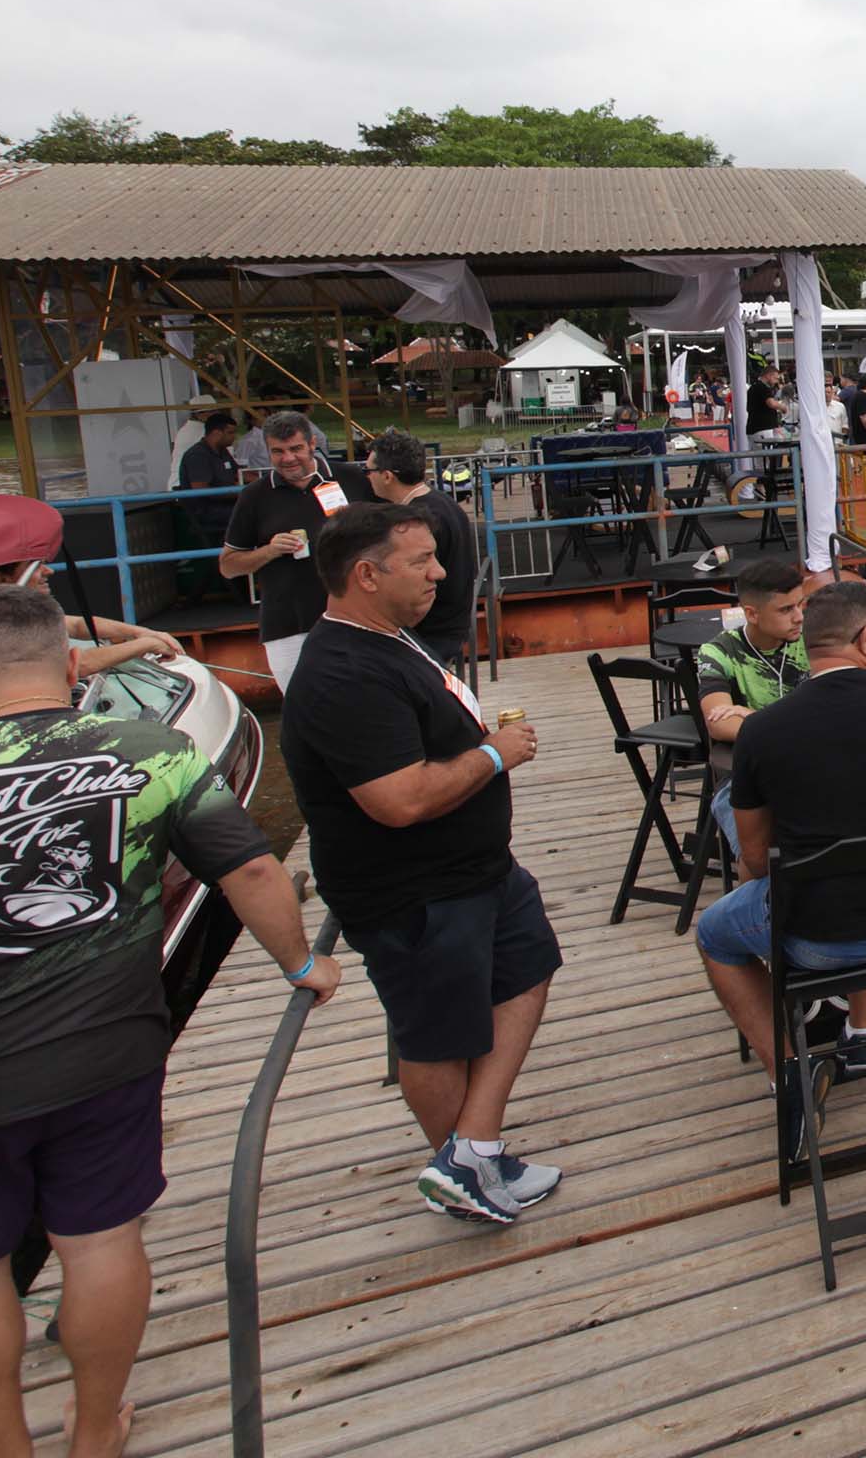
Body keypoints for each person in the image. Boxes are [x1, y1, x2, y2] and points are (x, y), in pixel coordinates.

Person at [0, 585, 336, 1458]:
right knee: (99, 1245)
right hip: (104, 1058)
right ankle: (93, 1429)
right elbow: (253, 874)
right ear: (72, 665)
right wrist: (303, 964)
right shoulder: (151, 751)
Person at [279, 502, 562, 1225]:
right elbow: (398, 800)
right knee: (437, 1034)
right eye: (422, 561)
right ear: (367, 575)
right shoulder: (344, 670)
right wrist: (494, 754)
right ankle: (465, 1167)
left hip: (477, 872)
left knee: (528, 971)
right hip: (413, 892)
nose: (441, 572)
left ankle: (472, 1150)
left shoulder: (390, 639)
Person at [697, 579, 866, 1079]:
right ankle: (858, 1028)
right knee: (865, 844)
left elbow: (754, 859)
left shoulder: (762, 729)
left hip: (815, 936)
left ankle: (792, 1075)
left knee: (714, 934)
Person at [217, 410, 348, 692]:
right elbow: (227, 566)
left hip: (352, 619)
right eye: (278, 451)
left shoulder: (349, 480)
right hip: (288, 627)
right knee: (305, 712)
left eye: (296, 449)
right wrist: (269, 551)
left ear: (312, 444)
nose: (288, 459)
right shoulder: (254, 496)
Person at [695, 557, 812, 868]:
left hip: (814, 766)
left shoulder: (813, 639)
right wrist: (802, 724)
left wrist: (750, 715)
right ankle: (760, 915)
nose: (799, 617)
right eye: (786, 609)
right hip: (744, 777)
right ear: (751, 614)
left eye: (801, 605)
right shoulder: (719, 651)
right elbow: (720, 723)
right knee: (757, 859)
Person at [354, 430, 481, 668]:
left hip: (430, 634)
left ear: (387, 476)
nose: (367, 477)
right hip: (450, 626)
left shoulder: (415, 521)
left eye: (369, 471)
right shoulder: (444, 503)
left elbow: (412, 590)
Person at [172, 412, 241, 598]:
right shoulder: (197, 455)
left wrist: (266, 478)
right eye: (230, 433)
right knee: (252, 516)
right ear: (217, 433)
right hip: (207, 512)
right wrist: (237, 492)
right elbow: (201, 490)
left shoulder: (222, 452)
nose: (233, 437)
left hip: (225, 507)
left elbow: (240, 474)